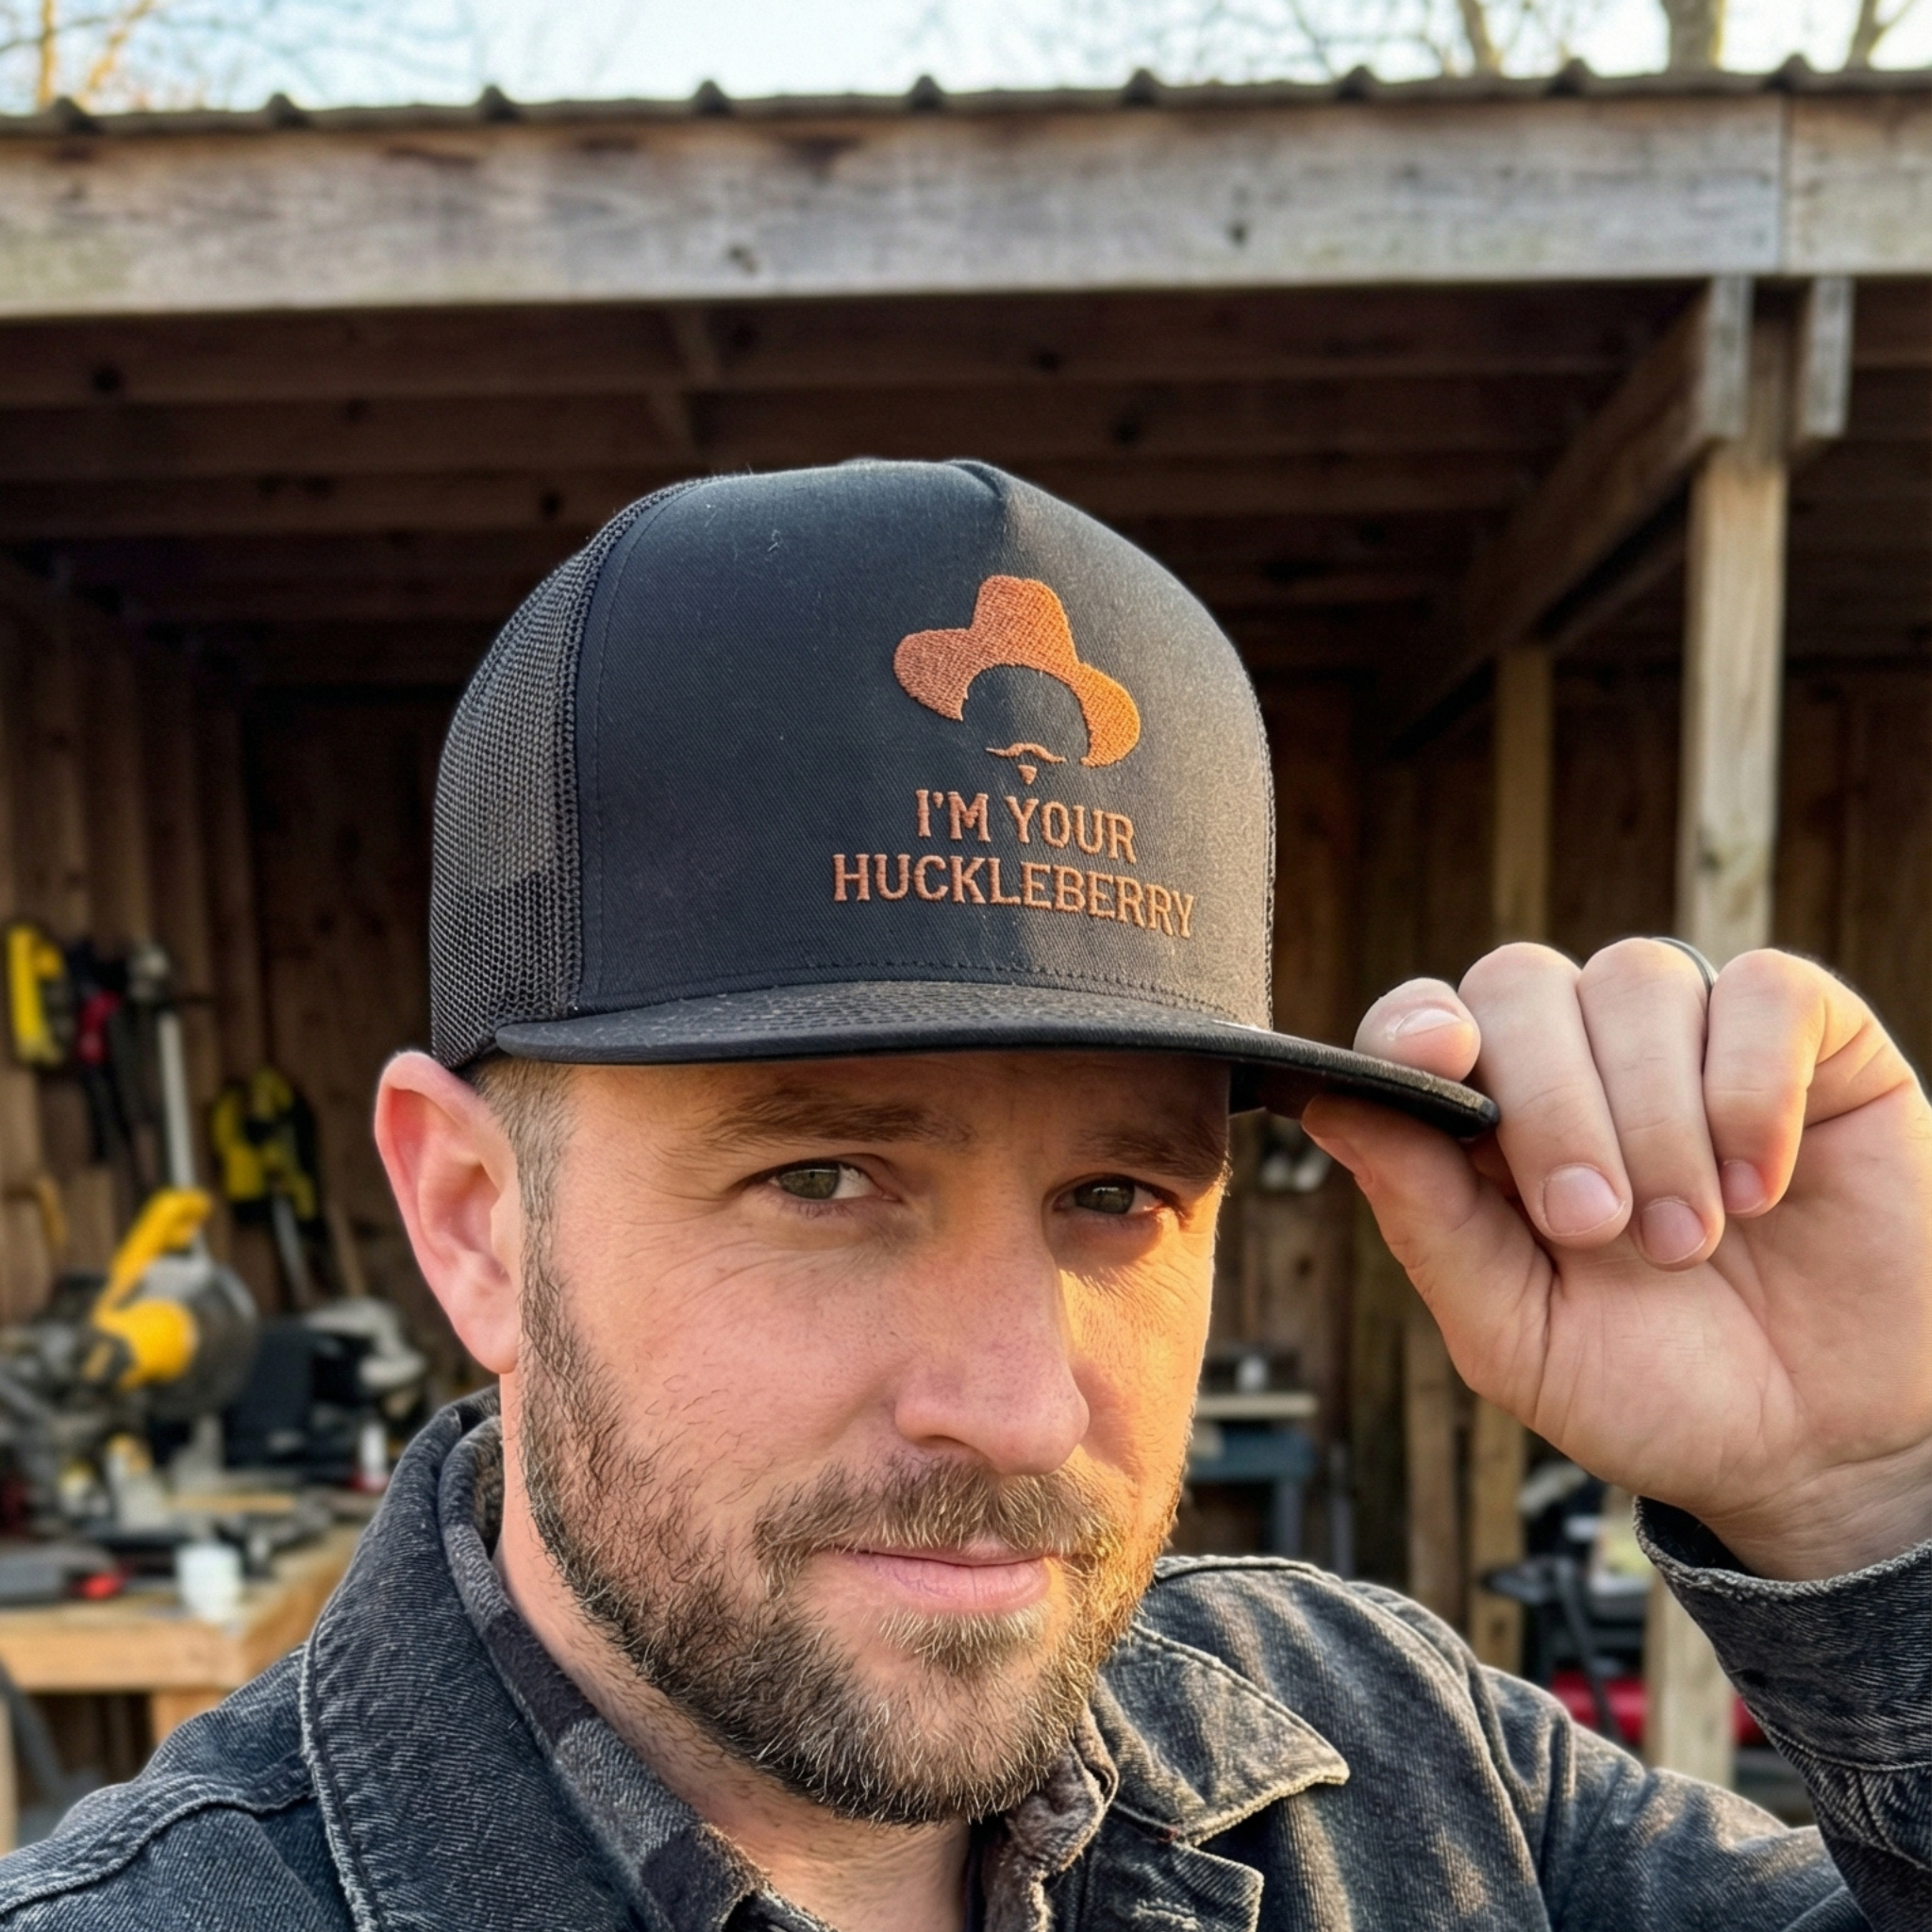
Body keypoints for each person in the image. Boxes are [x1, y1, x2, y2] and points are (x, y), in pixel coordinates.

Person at [1, 460, 1925, 1932]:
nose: (1014, 1403)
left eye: (1114, 1193)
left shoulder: (1405, 1773)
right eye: (823, 1173)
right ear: (476, 1219)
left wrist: (1868, 1499)